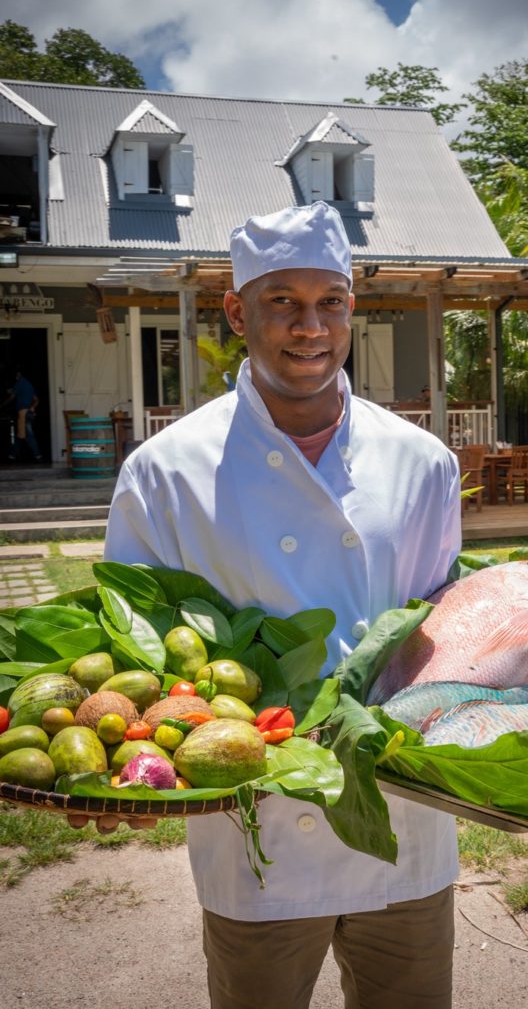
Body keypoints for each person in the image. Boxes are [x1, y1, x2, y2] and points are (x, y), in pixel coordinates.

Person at [99, 202, 462, 1008]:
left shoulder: (422, 462)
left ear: (351, 308)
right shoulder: (165, 471)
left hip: (401, 815)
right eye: (282, 302)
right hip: (254, 826)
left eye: (329, 301)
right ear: (236, 312)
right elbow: (134, 653)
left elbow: (442, 630)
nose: (310, 327)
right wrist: (125, 762)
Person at [1, 368, 42, 462]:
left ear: (18, 375)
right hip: (30, 413)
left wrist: (2, 405)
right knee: (21, 434)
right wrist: (32, 406)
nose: (16, 377)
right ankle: (12, 455)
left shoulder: (20, 383)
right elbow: (37, 400)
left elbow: (12, 397)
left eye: (16, 376)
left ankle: (38, 455)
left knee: (28, 435)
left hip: (23, 413)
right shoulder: (29, 385)